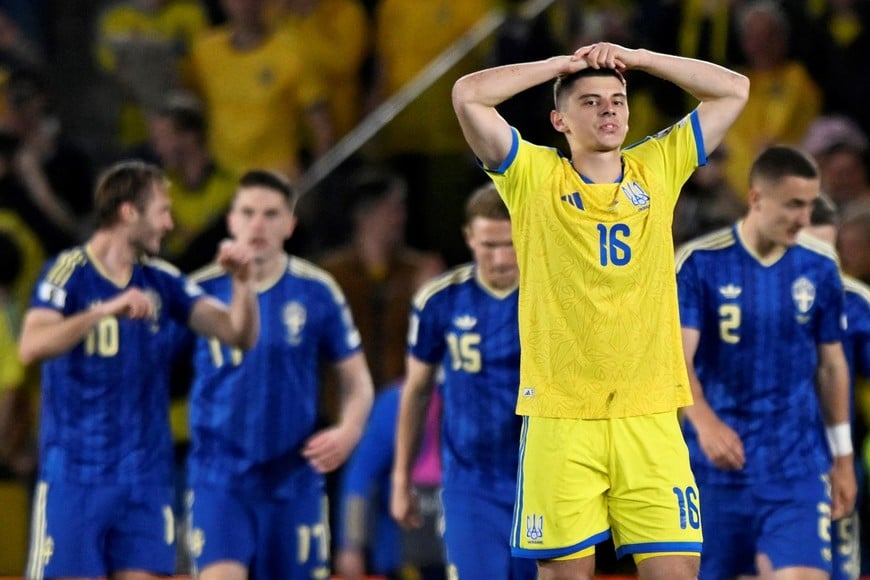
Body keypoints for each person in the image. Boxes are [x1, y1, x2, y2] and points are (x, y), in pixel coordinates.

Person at [451, 41, 749, 578]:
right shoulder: (533, 176)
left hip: (650, 410)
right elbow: (469, 95)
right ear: (559, 120)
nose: (608, 109)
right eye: (589, 102)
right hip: (563, 416)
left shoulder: (658, 164)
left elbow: (733, 88)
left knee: (678, 572)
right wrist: (558, 66)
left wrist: (640, 57)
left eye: (617, 99)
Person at [17, 160, 259, 580]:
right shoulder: (68, 273)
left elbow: (237, 333)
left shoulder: (163, 282)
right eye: (163, 210)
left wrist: (243, 284)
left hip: (146, 479)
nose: (170, 223)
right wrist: (104, 311)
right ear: (129, 212)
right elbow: (31, 346)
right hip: (77, 477)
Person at [675, 146, 857, 579]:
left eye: (811, 205)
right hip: (713, 468)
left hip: (795, 466)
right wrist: (704, 421)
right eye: (794, 204)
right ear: (756, 199)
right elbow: (675, 359)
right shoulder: (701, 263)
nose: (804, 217)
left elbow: (831, 365)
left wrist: (844, 460)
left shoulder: (819, 267)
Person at [185, 169, 374, 579]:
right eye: (248, 212)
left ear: (290, 224)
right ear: (231, 220)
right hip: (220, 477)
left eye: (271, 214)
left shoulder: (317, 290)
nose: (258, 224)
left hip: (294, 479)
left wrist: (349, 431)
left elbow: (357, 380)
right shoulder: (197, 292)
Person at [390, 183, 536, 579]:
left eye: (510, 243)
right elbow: (416, 392)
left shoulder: (554, 297)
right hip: (469, 484)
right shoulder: (439, 301)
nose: (501, 258)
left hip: (543, 479)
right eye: (489, 245)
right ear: (469, 238)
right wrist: (401, 478)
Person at [805, 193, 870, 580]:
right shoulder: (739, 295)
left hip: (835, 462)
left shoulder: (854, 301)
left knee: (840, 569)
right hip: (754, 463)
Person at [335, 380, 444, 580]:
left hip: (453, 547)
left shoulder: (471, 403)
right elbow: (360, 476)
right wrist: (351, 543)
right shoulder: (395, 404)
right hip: (402, 552)